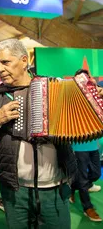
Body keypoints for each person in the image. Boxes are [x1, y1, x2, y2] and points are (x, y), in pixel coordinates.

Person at [0, 39, 79, 229]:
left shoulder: (56, 87)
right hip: (15, 191)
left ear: (24, 60)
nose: (0, 69)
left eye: (5, 62)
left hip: (55, 188)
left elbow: (80, 116)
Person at [69, 69, 102, 222]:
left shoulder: (97, 96)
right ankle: (87, 207)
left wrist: (99, 94)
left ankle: (73, 187)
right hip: (79, 145)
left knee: (95, 173)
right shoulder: (72, 98)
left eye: (87, 79)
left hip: (93, 143)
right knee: (82, 178)